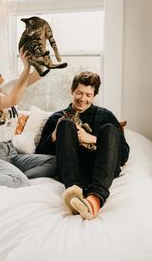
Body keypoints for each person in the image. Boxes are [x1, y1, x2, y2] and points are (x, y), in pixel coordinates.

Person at [36, 71, 130, 220]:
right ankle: (74, 193)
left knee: (109, 129)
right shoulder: (56, 118)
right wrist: (55, 135)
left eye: (88, 95)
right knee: (65, 124)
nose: (82, 99)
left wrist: (92, 139)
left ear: (94, 96)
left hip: (101, 169)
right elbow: (39, 153)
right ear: (72, 91)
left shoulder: (106, 115)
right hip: (72, 170)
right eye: (79, 93)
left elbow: (123, 154)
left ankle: (95, 198)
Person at [0, 50, 56, 188]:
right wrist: (25, 67)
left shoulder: (5, 89)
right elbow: (13, 99)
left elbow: (36, 75)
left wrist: (39, 55)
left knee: (54, 162)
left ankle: (14, 175)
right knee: (20, 182)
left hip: (11, 152)